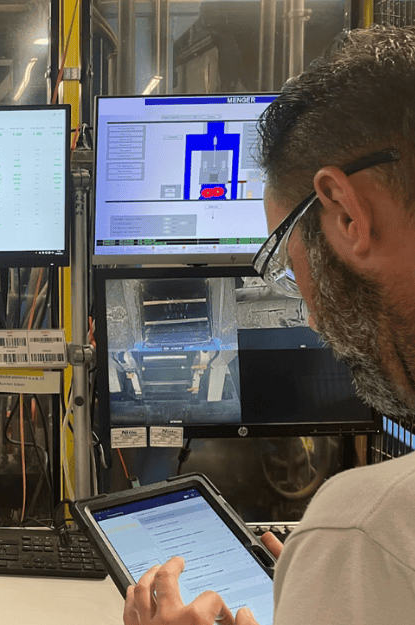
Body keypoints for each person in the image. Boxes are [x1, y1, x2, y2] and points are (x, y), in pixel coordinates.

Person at [122, 24, 415, 625]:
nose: (308, 309)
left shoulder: (366, 531)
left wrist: (335, 564)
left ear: (345, 213)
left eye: (282, 255)